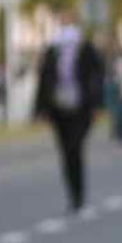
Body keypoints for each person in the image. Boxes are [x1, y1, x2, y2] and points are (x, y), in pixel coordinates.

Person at [34, 11, 105, 213]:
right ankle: (73, 196)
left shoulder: (86, 48)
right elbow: (44, 79)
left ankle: (79, 194)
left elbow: (98, 76)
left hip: (81, 108)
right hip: (59, 108)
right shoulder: (53, 50)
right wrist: (41, 109)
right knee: (65, 152)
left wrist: (97, 105)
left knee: (75, 147)